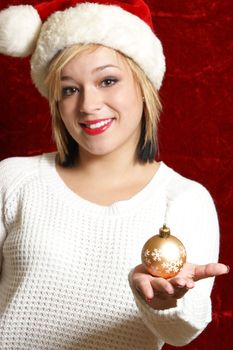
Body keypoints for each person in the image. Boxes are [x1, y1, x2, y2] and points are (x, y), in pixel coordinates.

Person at [0, 1, 229, 349]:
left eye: (108, 80)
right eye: (69, 89)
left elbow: (184, 330)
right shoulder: (12, 179)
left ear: (143, 84)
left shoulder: (183, 199)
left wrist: (164, 302)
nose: (88, 105)